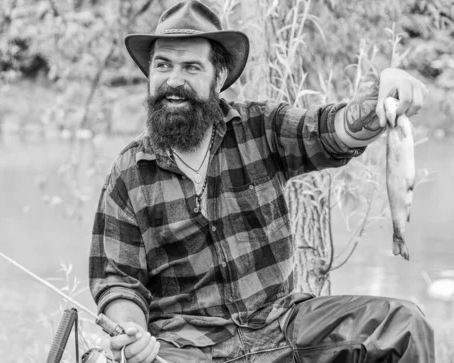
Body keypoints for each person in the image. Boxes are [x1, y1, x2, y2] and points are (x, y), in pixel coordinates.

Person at [88, 1, 434, 362]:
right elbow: (117, 282)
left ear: (218, 78)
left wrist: (382, 96)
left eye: (191, 67)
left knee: (403, 325)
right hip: (188, 348)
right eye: (163, 65)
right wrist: (133, 334)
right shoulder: (129, 173)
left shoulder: (261, 127)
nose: (174, 80)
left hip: (285, 328)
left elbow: (332, 130)